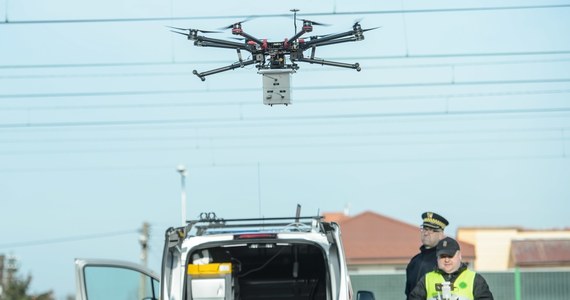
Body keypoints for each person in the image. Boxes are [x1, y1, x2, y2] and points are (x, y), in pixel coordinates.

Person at [408, 236, 494, 300]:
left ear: (459, 255)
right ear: (437, 258)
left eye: (450, 256)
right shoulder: (426, 280)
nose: (446, 260)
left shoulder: (475, 280)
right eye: (442, 256)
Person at [405, 212, 449, 299]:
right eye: (425, 229)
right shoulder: (414, 261)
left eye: (431, 230)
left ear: (441, 235)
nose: (426, 233)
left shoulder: (446, 261)